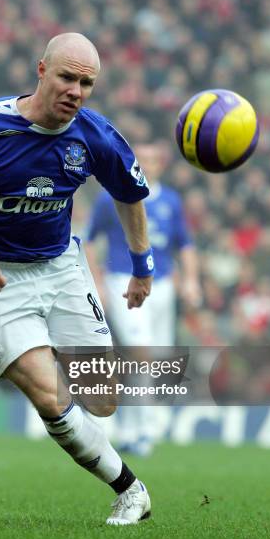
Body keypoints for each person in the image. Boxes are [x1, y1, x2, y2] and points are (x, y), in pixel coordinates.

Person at [0, 33, 155, 525]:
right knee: (50, 393)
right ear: (41, 70)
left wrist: (142, 266)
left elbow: (130, 193)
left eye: (86, 83)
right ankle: (130, 490)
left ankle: (44, 349)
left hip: (61, 269)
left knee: (102, 400)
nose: (75, 90)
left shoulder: (95, 136)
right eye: (67, 77)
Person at [86, 142, 201, 456]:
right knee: (142, 353)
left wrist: (190, 281)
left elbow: (185, 245)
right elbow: (87, 240)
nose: (147, 165)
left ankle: (134, 427)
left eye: (152, 159)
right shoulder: (111, 197)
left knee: (154, 360)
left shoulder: (171, 201)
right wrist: (96, 283)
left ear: (161, 163)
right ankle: (140, 432)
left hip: (162, 286)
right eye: (141, 159)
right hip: (123, 281)